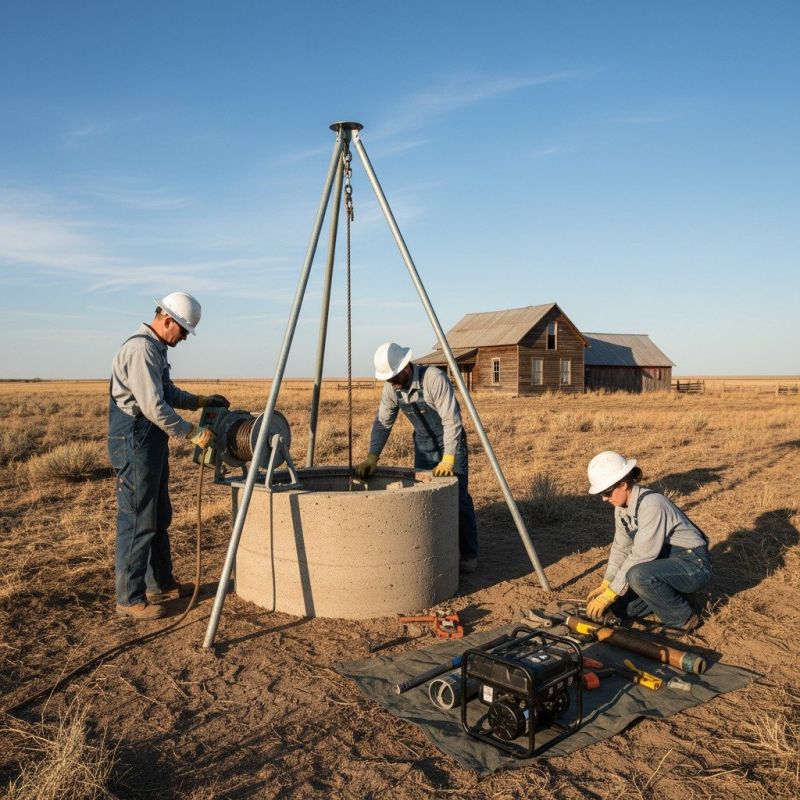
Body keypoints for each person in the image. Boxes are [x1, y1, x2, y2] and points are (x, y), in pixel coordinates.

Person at [108, 292, 230, 620]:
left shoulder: (156, 348)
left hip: (149, 441)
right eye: (184, 330)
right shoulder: (141, 349)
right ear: (167, 320)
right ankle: (130, 598)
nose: (185, 337)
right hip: (135, 439)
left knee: (159, 515)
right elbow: (153, 406)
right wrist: (192, 432)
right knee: (137, 519)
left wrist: (200, 400)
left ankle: (161, 584)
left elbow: (168, 392)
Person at [354, 342, 479, 573]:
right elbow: (383, 423)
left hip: (449, 443)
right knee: (425, 499)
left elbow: (452, 420)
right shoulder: (392, 389)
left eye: (394, 377)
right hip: (423, 446)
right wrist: (373, 456)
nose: (392, 382)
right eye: (388, 379)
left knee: (457, 498)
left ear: (406, 367)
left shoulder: (433, 379)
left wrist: (449, 457)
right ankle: (437, 550)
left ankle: (469, 554)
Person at [584, 450, 712, 632]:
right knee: (625, 607)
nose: (604, 499)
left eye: (607, 492)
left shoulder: (652, 505)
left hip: (694, 564)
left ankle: (683, 619)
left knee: (637, 576)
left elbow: (641, 556)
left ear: (623, 484)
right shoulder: (621, 509)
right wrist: (607, 583)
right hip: (666, 563)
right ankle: (680, 597)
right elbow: (620, 549)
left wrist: (611, 593)